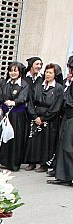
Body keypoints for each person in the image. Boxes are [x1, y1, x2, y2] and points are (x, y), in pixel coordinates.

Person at [24, 63, 64, 172]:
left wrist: (43, 118)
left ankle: (43, 164)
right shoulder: (38, 85)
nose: (48, 74)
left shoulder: (58, 88)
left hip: (49, 119)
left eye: (50, 73)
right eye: (46, 72)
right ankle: (31, 162)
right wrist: (34, 116)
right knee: (33, 140)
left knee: (46, 142)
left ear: (55, 74)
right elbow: (31, 102)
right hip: (36, 116)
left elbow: (56, 107)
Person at [0, 62, 30, 171]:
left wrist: (14, 102)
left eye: (15, 71)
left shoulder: (24, 84)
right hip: (6, 114)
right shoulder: (5, 83)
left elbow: (23, 98)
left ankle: (14, 163)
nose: (13, 73)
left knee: (15, 138)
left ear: (20, 72)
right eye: (11, 70)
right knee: (4, 137)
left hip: (17, 115)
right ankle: (4, 161)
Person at [48, 56, 73, 186]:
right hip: (68, 118)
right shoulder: (69, 82)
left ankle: (67, 176)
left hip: (71, 118)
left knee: (68, 147)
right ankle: (64, 175)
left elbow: (68, 100)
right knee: (64, 146)